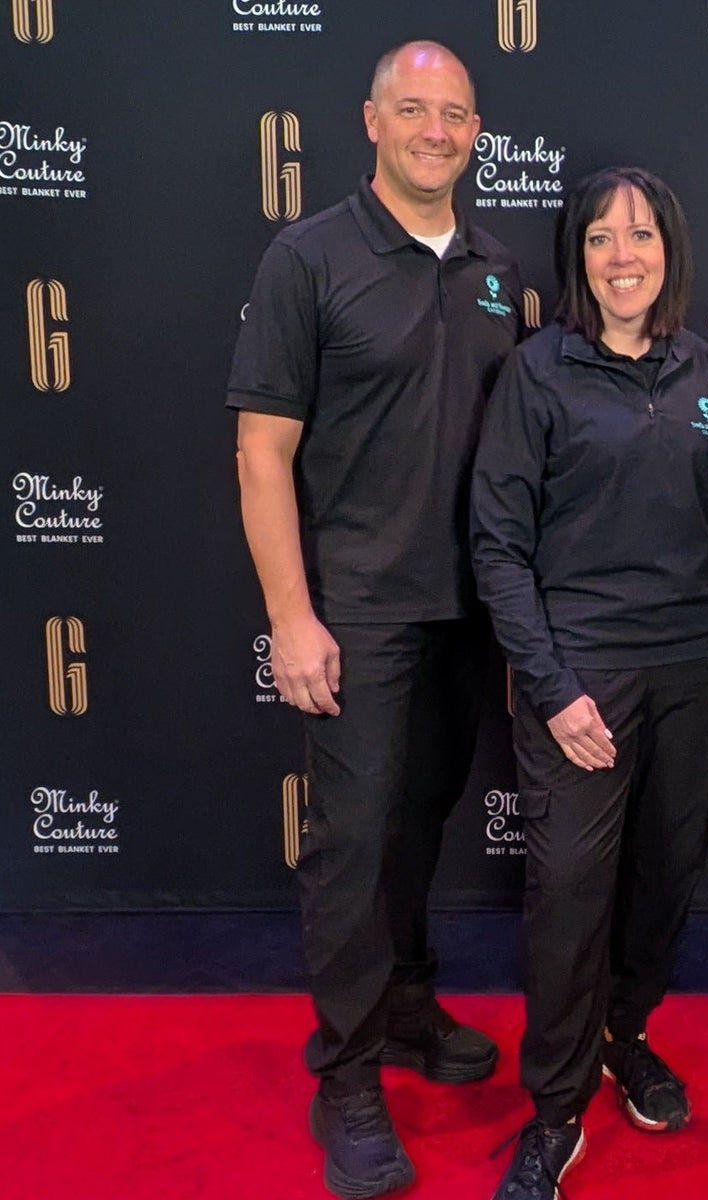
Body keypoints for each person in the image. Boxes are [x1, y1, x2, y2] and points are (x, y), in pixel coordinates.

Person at [227, 41, 522, 1200]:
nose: (435, 130)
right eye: (413, 109)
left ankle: (404, 1005)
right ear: (371, 121)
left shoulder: (499, 263)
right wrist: (291, 619)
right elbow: (261, 453)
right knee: (351, 847)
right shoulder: (308, 258)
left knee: (419, 821)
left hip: (467, 610)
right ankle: (345, 1074)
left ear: (474, 127)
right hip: (354, 613)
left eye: (453, 113)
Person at [471, 167, 708, 1200]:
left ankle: (627, 1033)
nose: (622, 255)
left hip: (693, 670)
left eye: (641, 236)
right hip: (580, 674)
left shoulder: (705, 373)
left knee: (666, 877)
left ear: (670, 250)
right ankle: (553, 1109)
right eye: (599, 238)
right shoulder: (538, 372)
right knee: (570, 894)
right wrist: (552, 686)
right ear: (575, 256)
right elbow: (496, 544)